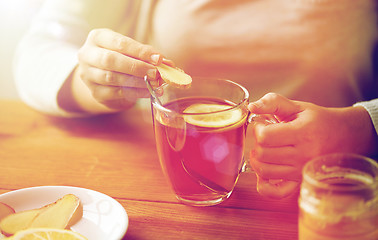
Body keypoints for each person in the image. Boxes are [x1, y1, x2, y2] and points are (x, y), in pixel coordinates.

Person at [14, 0, 378, 198]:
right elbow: (36, 52)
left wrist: (364, 125)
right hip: (166, 196)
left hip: (335, 198)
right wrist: (91, 79)